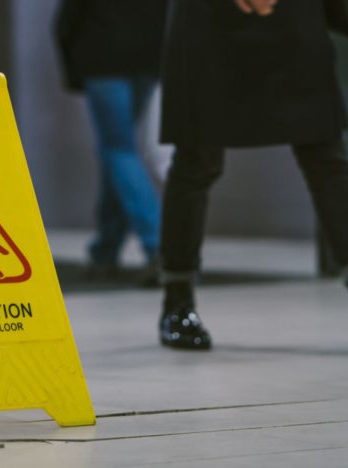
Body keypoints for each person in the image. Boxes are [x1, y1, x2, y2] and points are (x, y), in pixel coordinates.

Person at [158, 0, 348, 349]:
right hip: (210, 27)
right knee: (197, 161)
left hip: (293, 24)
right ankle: (177, 300)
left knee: (327, 160)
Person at [55, 0, 168, 285]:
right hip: (146, 60)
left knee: (119, 151)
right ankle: (105, 250)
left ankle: (158, 246)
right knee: (117, 152)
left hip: (104, 59)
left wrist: (72, 68)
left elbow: (69, 18)